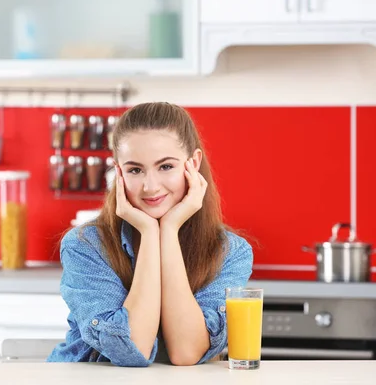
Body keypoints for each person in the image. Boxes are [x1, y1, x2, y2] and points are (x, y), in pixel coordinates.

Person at [47, 102, 253, 367]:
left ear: (193, 163)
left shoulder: (231, 252)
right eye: (135, 170)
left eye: (166, 167)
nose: (150, 186)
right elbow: (134, 349)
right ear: (118, 172)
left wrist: (168, 230)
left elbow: (186, 352)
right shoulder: (85, 246)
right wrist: (147, 230)